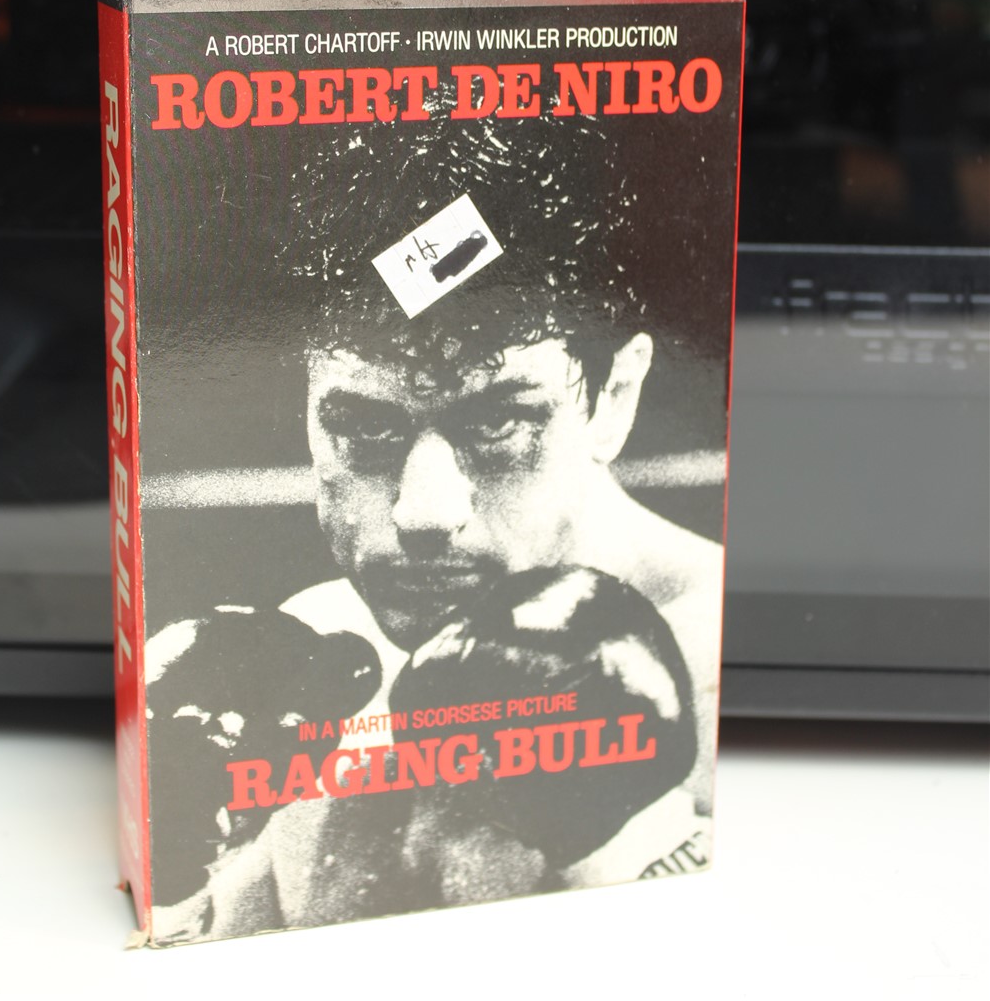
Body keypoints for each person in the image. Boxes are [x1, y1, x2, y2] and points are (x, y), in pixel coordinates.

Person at [147, 76, 728, 941]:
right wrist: (178, 861)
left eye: (496, 426)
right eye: (364, 431)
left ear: (615, 397)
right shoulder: (320, 649)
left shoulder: (723, 674)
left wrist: (618, 839)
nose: (422, 515)